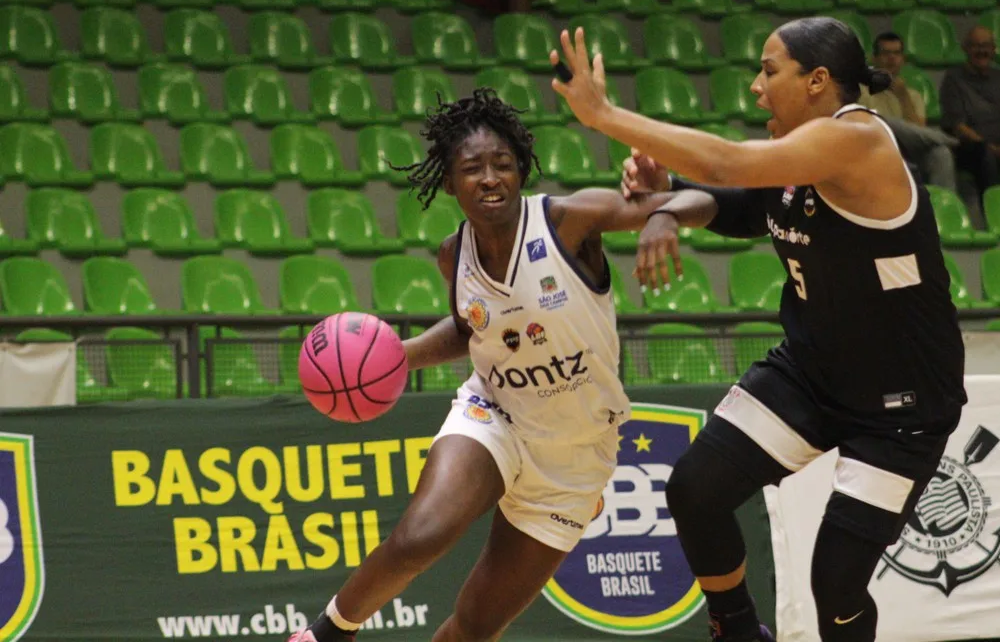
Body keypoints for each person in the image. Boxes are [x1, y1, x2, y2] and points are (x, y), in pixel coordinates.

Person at [552, 18, 967, 642]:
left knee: (836, 583)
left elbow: (730, 162)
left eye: (769, 71)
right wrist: (666, 206)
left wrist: (606, 115)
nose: (755, 87)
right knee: (695, 489)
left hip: (900, 404)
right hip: (813, 373)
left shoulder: (859, 142)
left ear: (818, 80)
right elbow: (734, 201)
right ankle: (739, 631)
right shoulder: (800, 156)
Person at [285, 89, 695, 642]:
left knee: (476, 626)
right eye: (472, 168)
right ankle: (326, 633)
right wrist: (396, 358)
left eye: (502, 164)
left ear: (521, 170)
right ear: (451, 183)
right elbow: (471, 324)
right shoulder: (454, 255)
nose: (489, 178)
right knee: (421, 535)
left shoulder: (570, 220)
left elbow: (684, 206)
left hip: (576, 454)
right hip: (495, 411)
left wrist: (662, 205)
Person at [859, 31, 958, 191]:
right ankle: (947, 139)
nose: (892, 58)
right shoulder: (860, 90)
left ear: (902, 60)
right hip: (873, 147)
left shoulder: (913, 95)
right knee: (885, 123)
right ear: (874, 59)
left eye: (896, 53)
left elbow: (919, 135)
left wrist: (903, 97)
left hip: (906, 154)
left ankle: (944, 211)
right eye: (886, 53)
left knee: (941, 153)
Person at [939, 25, 1000, 200]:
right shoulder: (953, 79)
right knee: (985, 157)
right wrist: (992, 149)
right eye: (976, 46)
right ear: (965, 49)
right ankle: (994, 213)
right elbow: (958, 127)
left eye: (986, 46)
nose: (982, 51)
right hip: (972, 147)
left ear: (994, 50)